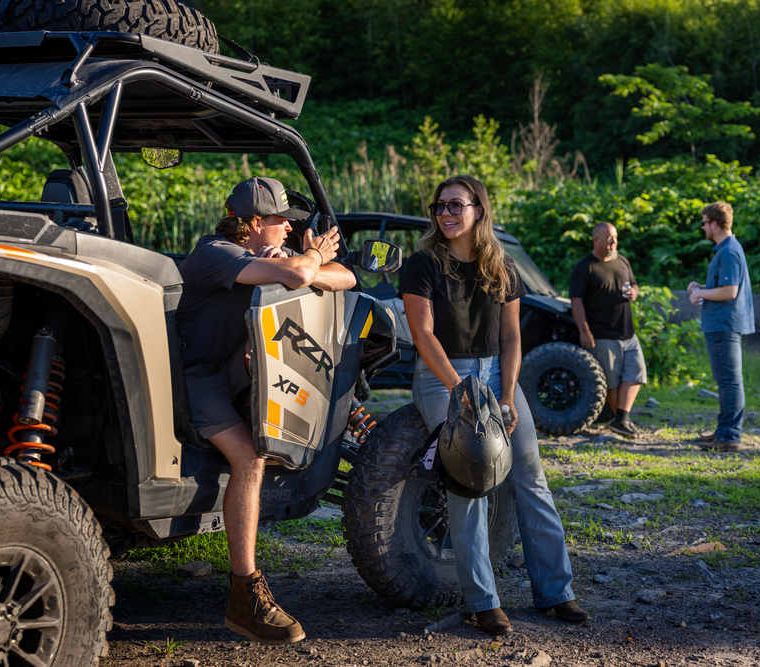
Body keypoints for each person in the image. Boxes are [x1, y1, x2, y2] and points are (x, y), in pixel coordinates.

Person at [400, 174, 590, 636]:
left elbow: (511, 337)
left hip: (496, 375)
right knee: (468, 482)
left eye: (455, 205)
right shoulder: (422, 264)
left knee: (531, 479)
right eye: (439, 206)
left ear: (479, 210)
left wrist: (506, 394)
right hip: (442, 374)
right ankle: (484, 602)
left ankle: (556, 592)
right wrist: (456, 387)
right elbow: (423, 335)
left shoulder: (502, 266)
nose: (445, 214)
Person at [176, 177, 356, 644]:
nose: (289, 232)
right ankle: (244, 594)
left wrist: (304, 264)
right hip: (195, 375)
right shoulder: (213, 252)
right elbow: (302, 275)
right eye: (282, 223)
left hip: (230, 373)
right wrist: (310, 259)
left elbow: (348, 278)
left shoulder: (260, 256)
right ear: (254, 223)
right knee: (249, 458)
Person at [569, 222, 648, 438]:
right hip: (602, 334)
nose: (613, 241)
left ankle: (621, 418)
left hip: (628, 333)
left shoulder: (622, 261)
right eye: (609, 238)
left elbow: (634, 284)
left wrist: (634, 291)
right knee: (611, 381)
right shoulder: (585, 267)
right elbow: (576, 301)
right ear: (596, 240)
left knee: (636, 374)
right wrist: (584, 331)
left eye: (615, 237)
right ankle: (620, 420)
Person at [687, 201, 755, 452]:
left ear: (714, 223)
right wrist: (701, 289)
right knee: (726, 380)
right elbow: (723, 288)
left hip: (724, 324)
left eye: (704, 222)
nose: (703, 227)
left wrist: (698, 295)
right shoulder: (725, 249)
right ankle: (724, 430)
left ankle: (729, 436)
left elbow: (729, 291)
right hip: (722, 323)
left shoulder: (727, 251)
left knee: (729, 381)